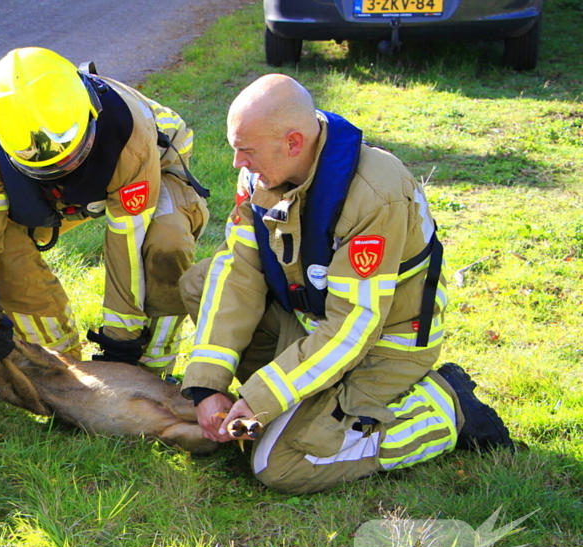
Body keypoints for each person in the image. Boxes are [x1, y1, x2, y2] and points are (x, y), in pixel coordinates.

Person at [180, 74, 512, 495]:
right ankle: (302, 400)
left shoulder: (376, 194)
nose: (236, 164)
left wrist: (262, 397)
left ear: (294, 143)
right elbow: (237, 274)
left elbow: (353, 328)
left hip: (384, 342)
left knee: (278, 465)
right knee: (202, 281)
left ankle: (446, 407)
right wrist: (207, 385)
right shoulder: (260, 176)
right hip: (315, 319)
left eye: (246, 151)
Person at [0, 47, 210, 376]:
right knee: (4, 251)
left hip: (153, 165)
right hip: (52, 198)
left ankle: (151, 367)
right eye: (52, 166)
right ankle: (62, 364)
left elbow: (128, 246)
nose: (63, 168)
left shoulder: (130, 138)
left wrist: (120, 343)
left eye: (70, 159)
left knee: (166, 243)